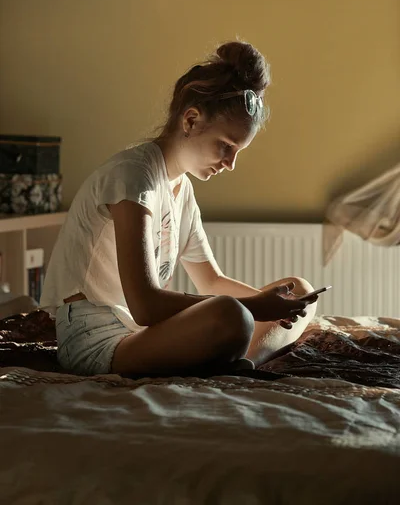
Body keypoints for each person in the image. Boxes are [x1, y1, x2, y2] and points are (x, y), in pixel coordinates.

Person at [40, 40, 318, 377]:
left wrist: (275, 307)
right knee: (232, 316)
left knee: (300, 291)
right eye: (226, 146)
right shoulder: (133, 176)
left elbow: (212, 281)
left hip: (144, 333)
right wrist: (256, 307)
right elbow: (145, 305)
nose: (230, 163)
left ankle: (248, 362)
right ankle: (238, 350)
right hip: (97, 338)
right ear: (190, 120)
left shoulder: (181, 188)